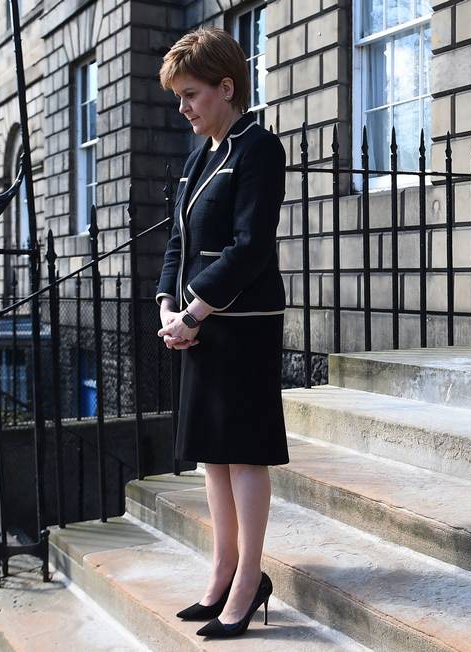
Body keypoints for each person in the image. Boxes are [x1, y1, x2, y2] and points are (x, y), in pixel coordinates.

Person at [154, 27, 289, 640]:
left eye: (190, 94)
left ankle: (249, 579)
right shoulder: (199, 156)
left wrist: (195, 311)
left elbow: (250, 247)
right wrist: (166, 305)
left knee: (244, 456)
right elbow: (178, 242)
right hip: (196, 324)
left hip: (240, 325)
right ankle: (223, 569)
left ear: (225, 88)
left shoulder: (258, 148)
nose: (183, 108)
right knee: (213, 454)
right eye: (179, 97)